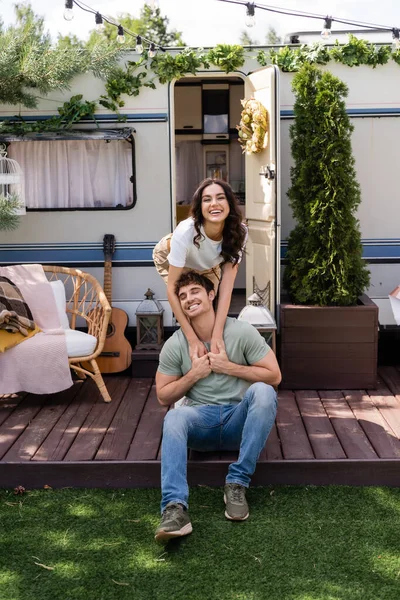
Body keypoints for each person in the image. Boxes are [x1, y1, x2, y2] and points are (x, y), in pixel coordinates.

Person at [154, 270, 281, 543]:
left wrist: (230, 367)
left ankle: (237, 483)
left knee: (264, 392)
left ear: (212, 295)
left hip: (239, 420)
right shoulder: (175, 345)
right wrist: (193, 376)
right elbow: (163, 396)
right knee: (173, 418)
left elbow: (274, 375)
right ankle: (175, 509)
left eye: (195, 291)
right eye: (183, 296)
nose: (189, 299)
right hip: (201, 421)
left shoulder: (241, 331)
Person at [153, 178, 247, 359]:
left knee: (207, 310)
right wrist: (193, 340)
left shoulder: (239, 232)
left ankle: (215, 359)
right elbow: (172, 290)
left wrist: (217, 334)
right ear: (199, 207)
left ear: (229, 203)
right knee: (192, 307)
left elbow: (226, 288)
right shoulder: (186, 231)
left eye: (220, 198)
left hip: (207, 266)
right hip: (171, 258)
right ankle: (187, 359)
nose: (214, 204)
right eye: (207, 199)